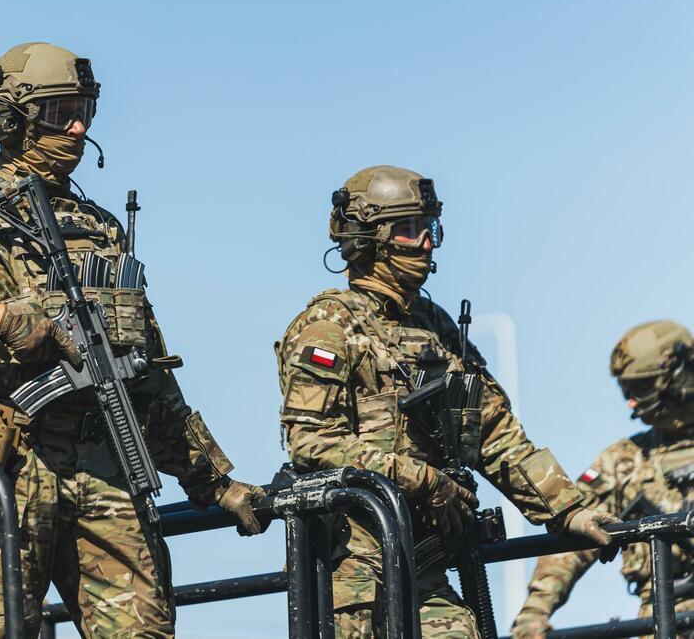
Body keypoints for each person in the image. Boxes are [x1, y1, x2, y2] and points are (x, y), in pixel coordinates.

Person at [0, 41, 263, 638]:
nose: (79, 128)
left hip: (107, 463)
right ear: (13, 119)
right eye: (62, 113)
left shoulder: (103, 229)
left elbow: (147, 372)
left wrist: (213, 480)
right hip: (11, 463)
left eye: (86, 111)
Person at [276, 165, 616, 638]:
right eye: (409, 229)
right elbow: (311, 443)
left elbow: (493, 430)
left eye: (429, 228)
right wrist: (423, 480)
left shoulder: (435, 326)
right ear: (369, 238)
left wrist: (568, 510)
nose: (426, 244)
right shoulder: (328, 328)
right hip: (354, 575)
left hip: (426, 564)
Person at [511, 321, 694, 638]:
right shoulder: (624, 461)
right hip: (663, 622)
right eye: (627, 391)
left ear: (679, 372)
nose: (632, 402)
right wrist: (533, 614)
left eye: (642, 387)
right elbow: (575, 536)